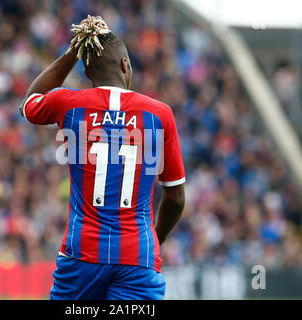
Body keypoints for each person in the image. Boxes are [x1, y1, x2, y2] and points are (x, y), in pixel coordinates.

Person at [20, 15, 185, 300]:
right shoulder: (159, 114)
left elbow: (29, 103)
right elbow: (175, 198)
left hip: (81, 255)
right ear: (125, 64)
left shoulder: (67, 102)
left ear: (86, 71)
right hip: (137, 257)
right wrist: (154, 241)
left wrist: (74, 49)